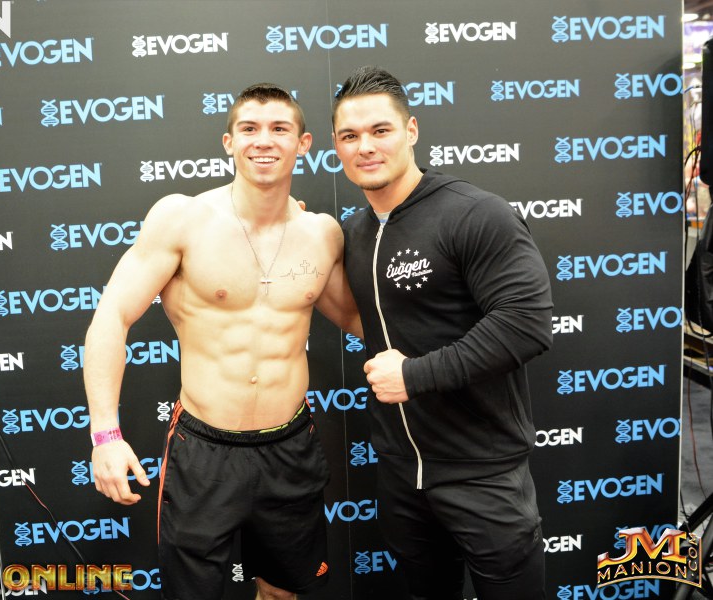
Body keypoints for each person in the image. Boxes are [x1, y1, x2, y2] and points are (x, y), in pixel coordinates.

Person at [84, 83, 361, 600]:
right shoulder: (183, 219)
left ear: (303, 144)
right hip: (204, 450)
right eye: (249, 128)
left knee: (283, 592)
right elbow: (111, 317)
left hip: (290, 445)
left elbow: (360, 320)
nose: (264, 140)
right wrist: (105, 435)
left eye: (279, 129)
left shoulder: (322, 234)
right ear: (229, 142)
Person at [331, 66, 553, 599]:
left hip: (482, 472)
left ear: (411, 130)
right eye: (350, 136)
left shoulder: (476, 213)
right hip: (402, 473)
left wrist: (413, 375)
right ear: (336, 146)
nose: (365, 147)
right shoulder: (354, 232)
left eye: (380, 130)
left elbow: (526, 323)